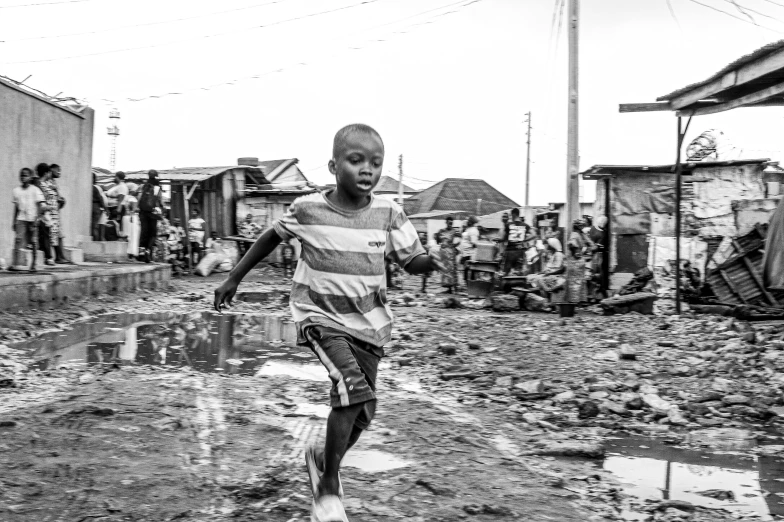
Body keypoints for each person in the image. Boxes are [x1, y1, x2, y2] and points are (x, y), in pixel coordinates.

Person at [213, 123, 444, 522]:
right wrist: (234, 277)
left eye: (375, 162)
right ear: (334, 165)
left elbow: (411, 260)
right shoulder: (308, 209)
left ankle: (322, 458)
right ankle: (329, 487)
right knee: (350, 387)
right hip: (319, 317)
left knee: (363, 412)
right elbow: (270, 236)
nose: (367, 170)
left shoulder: (389, 213)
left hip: (369, 324)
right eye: (357, 161)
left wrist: (434, 261)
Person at [10, 168, 46, 272]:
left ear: (30, 177)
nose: (23, 177)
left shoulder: (35, 190)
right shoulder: (16, 191)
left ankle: (34, 264)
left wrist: (37, 219)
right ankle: (15, 264)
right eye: (21, 175)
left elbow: (40, 206)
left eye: (25, 175)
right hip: (21, 219)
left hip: (32, 219)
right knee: (18, 240)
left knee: (34, 242)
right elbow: (16, 207)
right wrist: (14, 221)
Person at [551, 219, 588, 309]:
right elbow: (572, 245)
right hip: (576, 263)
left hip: (575, 264)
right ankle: (575, 303)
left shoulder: (576, 235)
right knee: (576, 284)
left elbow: (573, 245)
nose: (583, 228)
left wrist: (578, 253)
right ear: (579, 227)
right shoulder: (576, 235)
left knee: (574, 284)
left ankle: (574, 303)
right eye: (582, 226)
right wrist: (578, 253)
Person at [137, 170, 163, 262]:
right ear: (156, 176)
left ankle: (141, 254)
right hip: (152, 212)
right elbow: (160, 201)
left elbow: (139, 198)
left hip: (142, 212)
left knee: (144, 232)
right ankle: (148, 252)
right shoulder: (157, 187)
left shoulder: (143, 186)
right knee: (152, 233)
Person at [48, 164, 70, 263]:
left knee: (59, 235)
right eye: (58, 170)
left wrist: (61, 201)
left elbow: (58, 198)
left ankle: (60, 256)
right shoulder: (47, 182)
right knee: (55, 234)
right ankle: (58, 257)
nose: (59, 172)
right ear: (51, 170)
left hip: (56, 211)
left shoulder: (54, 182)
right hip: (50, 212)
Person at [35, 163, 55, 265]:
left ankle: (45, 256)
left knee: (45, 234)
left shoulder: (45, 184)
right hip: (43, 212)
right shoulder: (40, 184)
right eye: (49, 172)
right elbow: (42, 200)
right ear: (46, 173)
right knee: (45, 234)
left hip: (47, 212)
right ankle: (48, 257)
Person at [435, 216, 461, 293]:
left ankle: (455, 288)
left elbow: (459, 240)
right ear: (446, 222)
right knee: (445, 271)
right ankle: (449, 288)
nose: (450, 224)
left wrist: (454, 245)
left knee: (452, 270)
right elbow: (438, 241)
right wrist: (437, 237)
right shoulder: (441, 231)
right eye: (449, 223)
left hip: (451, 253)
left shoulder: (455, 232)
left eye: (451, 223)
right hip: (443, 253)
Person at [587, 215, 608, 301]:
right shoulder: (596, 230)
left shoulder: (602, 232)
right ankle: (592, 295)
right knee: (594, 275)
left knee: (596, 275)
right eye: (602, 221)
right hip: (594, 255)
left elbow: (597, 246)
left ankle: (594, 295)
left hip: (596, 255)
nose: (602, 223)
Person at [503, 208, 527, 275]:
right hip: (520, 252)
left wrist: (499, 239)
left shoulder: (508, 225)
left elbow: (503, 237)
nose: (511, 217)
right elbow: (534, 234)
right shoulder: (525, 225)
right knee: (518, 272)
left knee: (506, 272)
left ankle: (506, 284)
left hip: (510, 251)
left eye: (511, 215)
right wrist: (524, 240)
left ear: (514, 214)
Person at [459, 215, 480, 284]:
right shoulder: (471, 229)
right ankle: (469, 283)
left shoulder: (471, 230)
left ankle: (469, 283)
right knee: (469, 268)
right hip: (468, 252)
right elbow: (472, 242)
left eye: (469, 221)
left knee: (468, 268)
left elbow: (472, 242)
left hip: (468, 252)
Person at [91, 173, 108, 241]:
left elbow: (101, 198)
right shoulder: (95, 187)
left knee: (94, 227)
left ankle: (95, 244)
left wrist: (105, 209)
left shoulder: (94, 187)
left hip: (95, 208)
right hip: (97, 208)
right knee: (95, 227)